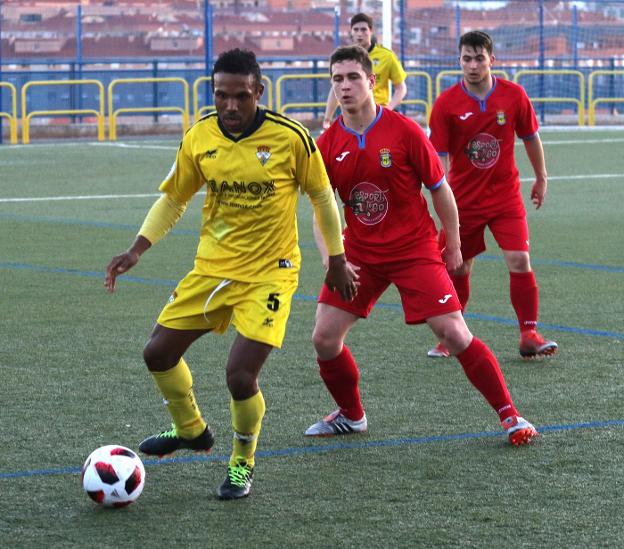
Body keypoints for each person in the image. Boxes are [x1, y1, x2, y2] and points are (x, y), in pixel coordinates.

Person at [104, 48, 357, 500]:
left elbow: (321, 196)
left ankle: (242, 462)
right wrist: (137, 248)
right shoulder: (201, 136)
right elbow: (175, 198)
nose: (232, 106)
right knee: (157, 353)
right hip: (213, 269)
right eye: (222, 95)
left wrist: (336, 259)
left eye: (242, 96)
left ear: (258, 91)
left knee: (240, 375)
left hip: (270, 274)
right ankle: (191, 430)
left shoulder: (290, 137)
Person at [304, 44, 538, 447]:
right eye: (337, 79)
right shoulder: (326, 145)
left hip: (414, 250)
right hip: (360, 253)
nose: (345, 86)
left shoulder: (404, 130)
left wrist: (452, 245)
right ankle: (351, 415)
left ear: (371, 82)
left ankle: (511, 416)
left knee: (453, 332)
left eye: (353, 78)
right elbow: (321, 211)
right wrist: (332, 260)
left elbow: (440, 190)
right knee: (324, 338)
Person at [427, 30, 558, 359]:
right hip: (463, 201)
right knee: (457, 266)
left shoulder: (513, 95)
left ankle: (528, 333)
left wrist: (541, 177)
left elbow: (530, 137)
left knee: (519, 259)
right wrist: (437, 203)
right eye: (466, 59)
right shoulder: (446, 104)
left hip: (505, 198)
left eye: (479, 58)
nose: (472, 65)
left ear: (492, 60)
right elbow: (438, 160)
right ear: (459, 61)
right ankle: (452, 336)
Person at [322, 12, 407, 130]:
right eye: (355, 30)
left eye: (363, 30)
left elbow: (401, 88)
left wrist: (390, 107)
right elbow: (335, 89)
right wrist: (327, 119)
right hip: (352, 115)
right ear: (351, 32)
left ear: (370, 31)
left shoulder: (386, 56)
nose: (359, 34)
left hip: (379, 113)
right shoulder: (345, 58)